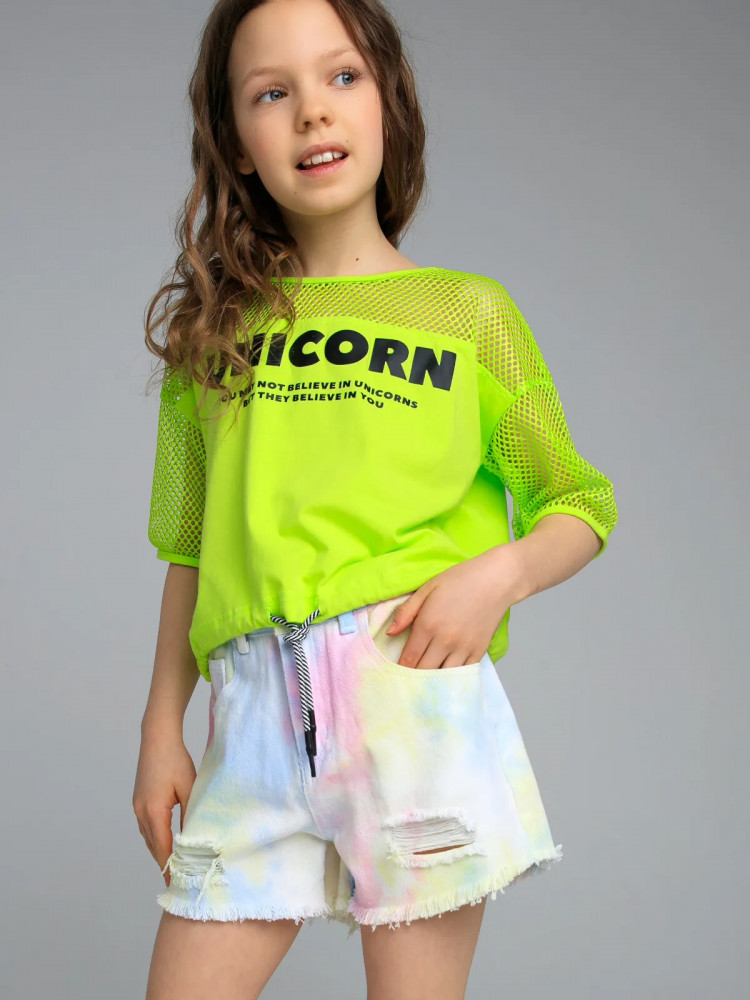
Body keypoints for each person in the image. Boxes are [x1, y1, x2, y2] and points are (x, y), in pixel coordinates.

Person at [133, 0, 619, 997]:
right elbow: (190, 546)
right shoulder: (213, 336)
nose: (313, 111)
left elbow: (579, 502)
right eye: (272, 93)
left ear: (388, 100)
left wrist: (498, 577)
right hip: (249, 722)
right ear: (236, 143)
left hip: (411, 707)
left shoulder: (466, 314)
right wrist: (159, 730)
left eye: (342, 76)